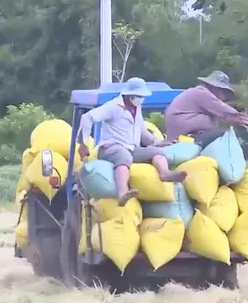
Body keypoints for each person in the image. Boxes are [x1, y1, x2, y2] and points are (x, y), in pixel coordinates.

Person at [78, 77, 187, 206]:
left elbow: (142, 132)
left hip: (131, 147)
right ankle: (122, 191)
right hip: (111, 148)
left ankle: (165, 173)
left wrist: (158, 142)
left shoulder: (137, 109)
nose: (141, 99)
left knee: (157, 152)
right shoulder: (113, 107)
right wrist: (83, 143)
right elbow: (87, 118)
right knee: (124, 156)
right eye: (139, 96)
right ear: (129, 95)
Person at [164, 71, 248, 144]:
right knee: (225, 134)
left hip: (181, 131)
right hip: (182, 134)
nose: (223, 95)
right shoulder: (202, 93)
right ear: (214, 87)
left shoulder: (197, 93)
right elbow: (226, 113)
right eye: (222, 91)